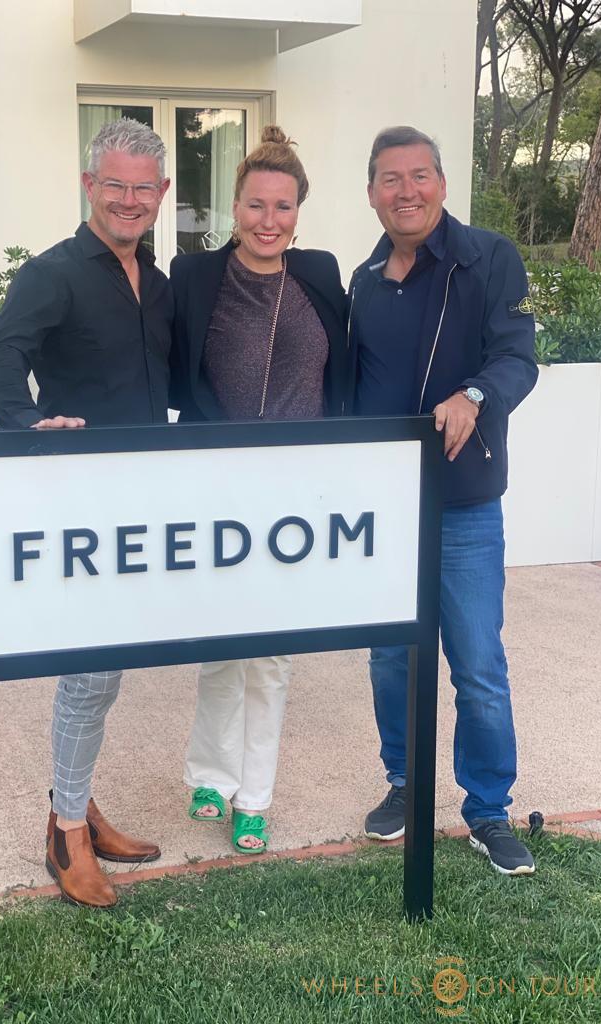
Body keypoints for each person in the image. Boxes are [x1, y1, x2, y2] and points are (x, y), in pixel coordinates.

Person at [0, 118, 173, 907]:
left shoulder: (157, 280)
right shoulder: (52, 273)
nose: (129, 200)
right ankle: (66, 833)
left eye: (143, 188)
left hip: (143, 502)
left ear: (162, 193)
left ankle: (79, 802)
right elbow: (2, 356)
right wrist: (27, 426)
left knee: (107, 670)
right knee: (89, 674)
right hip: (80, 504)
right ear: (89, 185)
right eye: (114, 184)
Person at [347, 126, 538, 875]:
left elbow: (517, 358)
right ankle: (404, 782)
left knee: (478, 667)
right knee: (390, 660)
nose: (407, 191)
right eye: (391, 179)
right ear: (371, 193)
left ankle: (488, 809)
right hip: (384, 509)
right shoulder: (365, 279)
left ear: (442, 183)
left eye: (419, 175)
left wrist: (474, 395)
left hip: (464, 506)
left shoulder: (488, 257)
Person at [169, 125, 347, 855]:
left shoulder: (322, 274)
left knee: (271, 654)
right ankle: (209, 773)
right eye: (255, 204)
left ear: (299, 210)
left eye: (283, 206)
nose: (267, 220)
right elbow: (172, 372)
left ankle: (255, 797)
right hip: (220, 486)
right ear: (234, 205)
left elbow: (345, 375)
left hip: (296, 494)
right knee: (220, 643)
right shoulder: (193, 276)